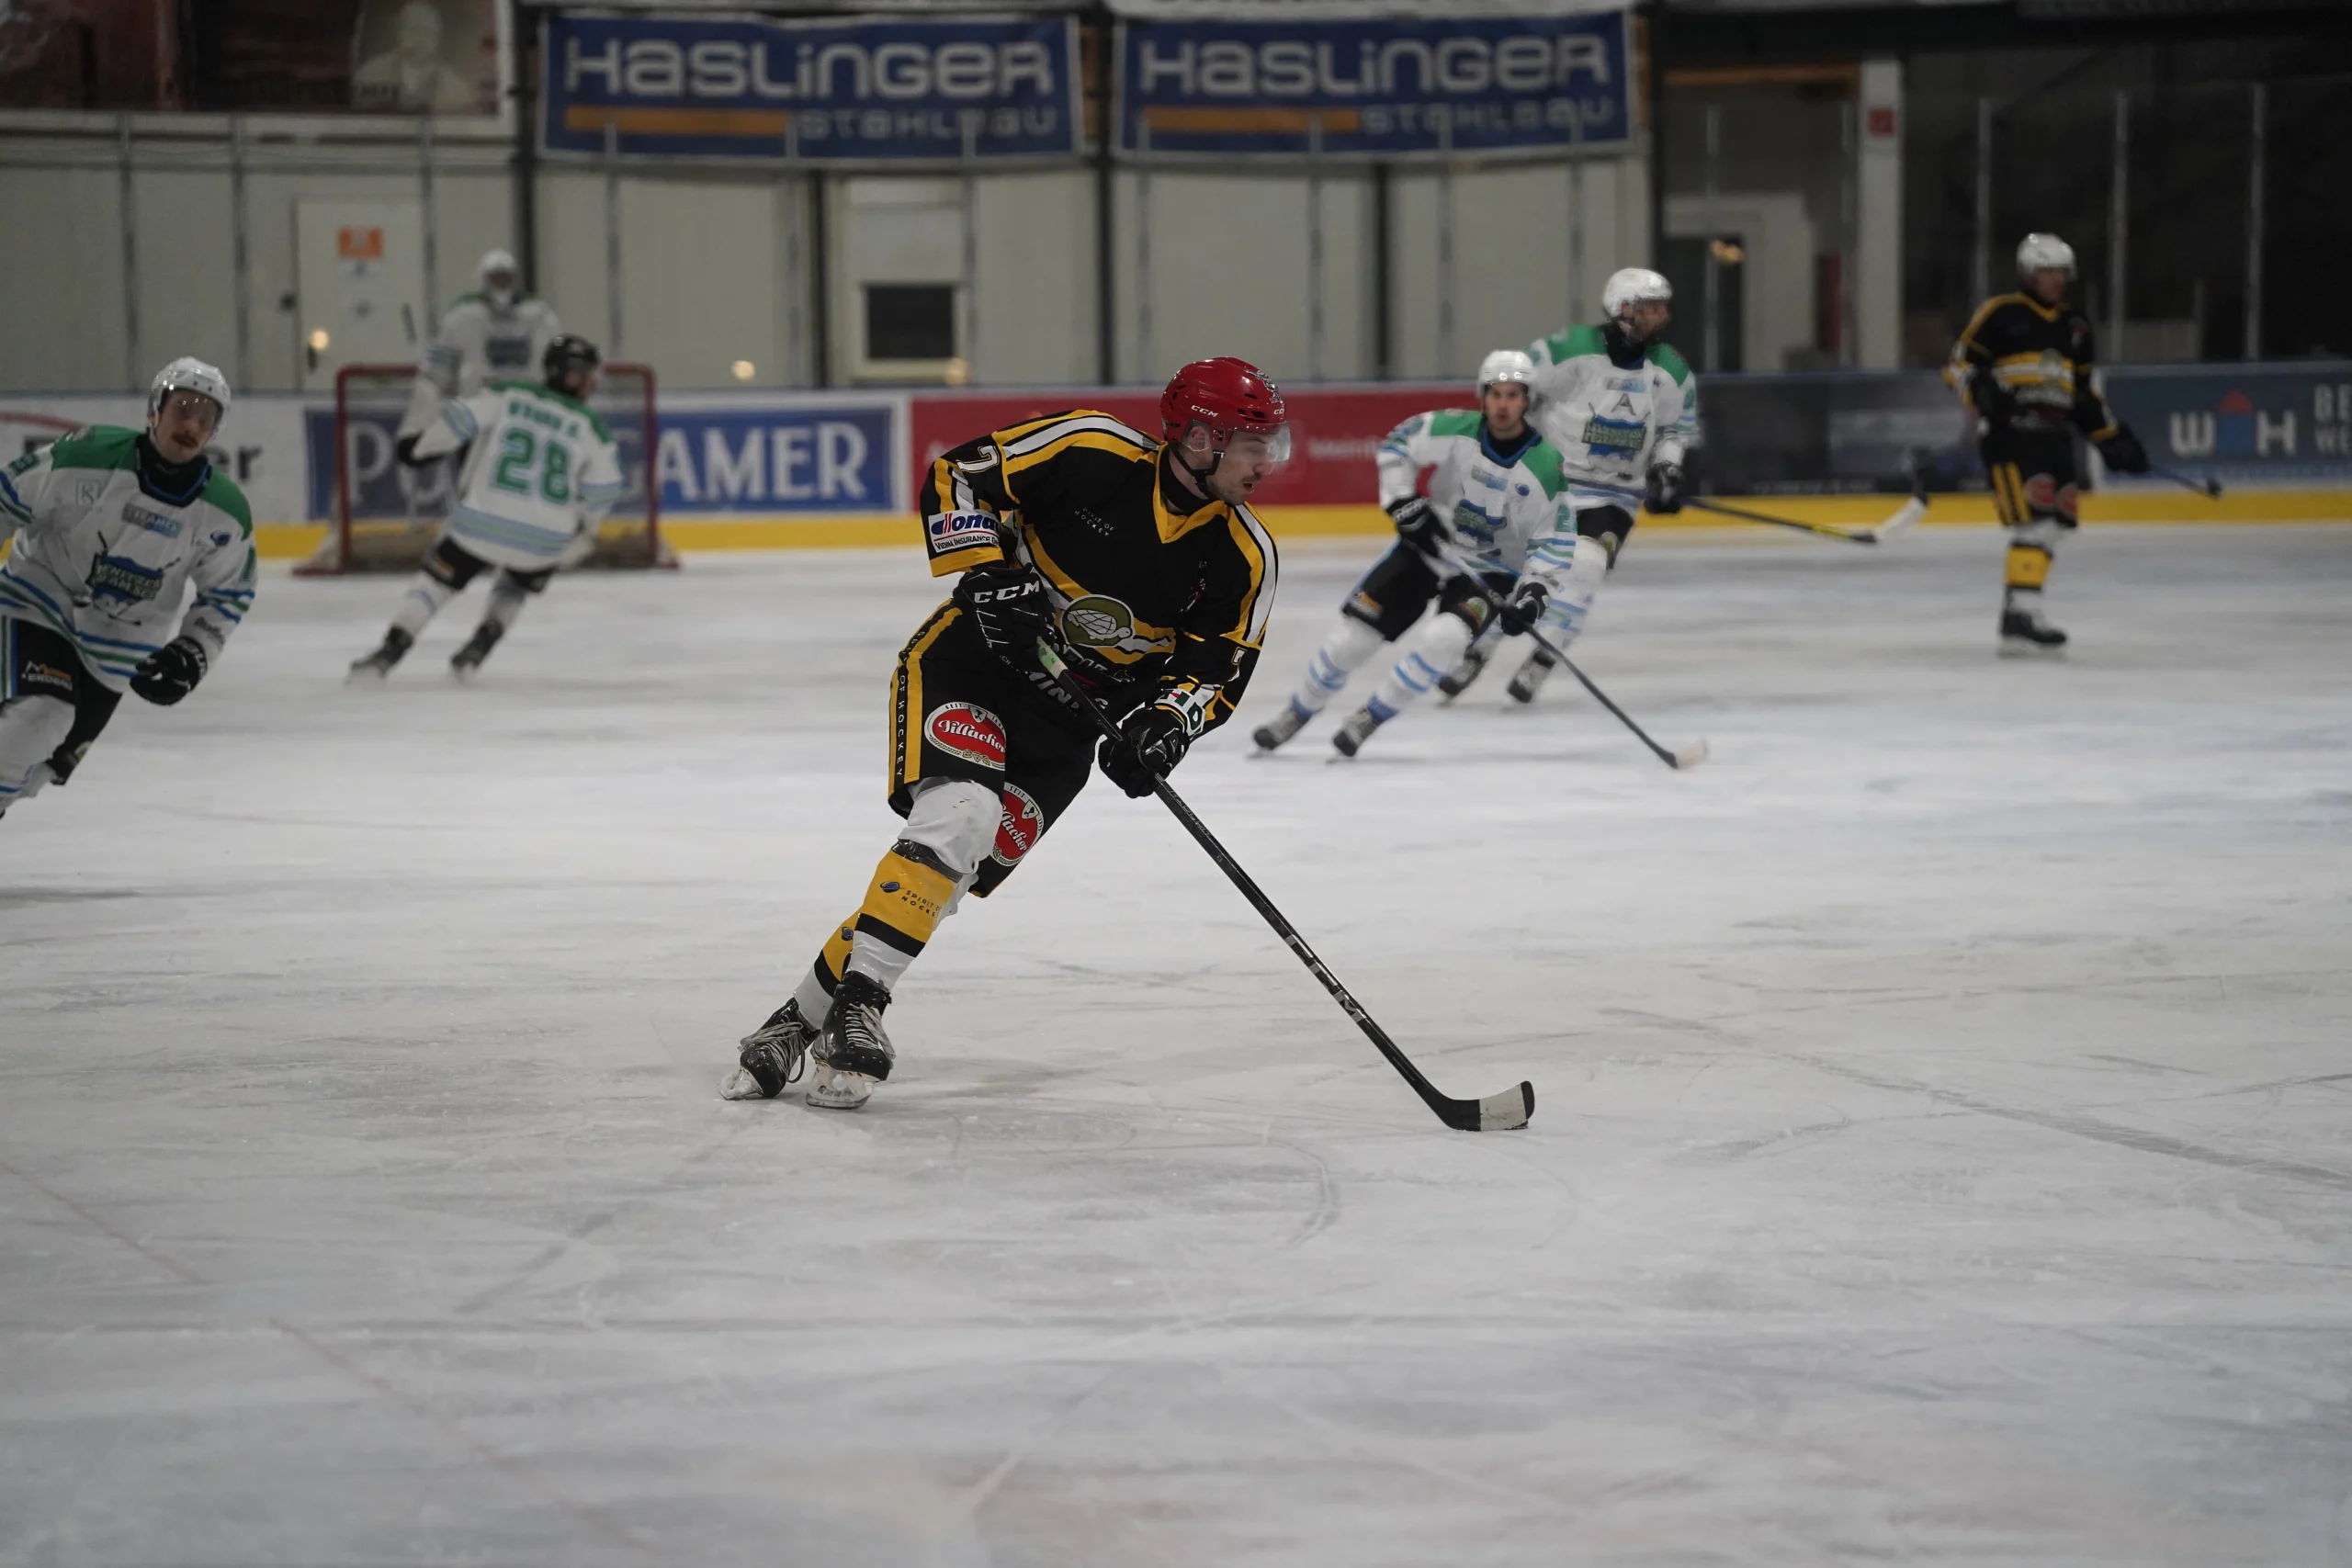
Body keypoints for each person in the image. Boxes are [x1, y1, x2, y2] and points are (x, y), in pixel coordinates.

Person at [722, 358, 1284, 1111]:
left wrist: (1160, 726)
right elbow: (957, 476)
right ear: (1199, 438)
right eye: (1251, 443)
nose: (1265, 462)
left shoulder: (1244, 556)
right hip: (972, 668)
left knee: (940, 878)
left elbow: (1213, 676)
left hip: (1065, 729)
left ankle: (793, 1023)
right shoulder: (1090, 451)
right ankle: (865, 1009)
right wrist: (987, 570)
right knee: (961, 816)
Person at [1250, 350, 1567, 757]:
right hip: (1425, 551)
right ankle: (1298, 710)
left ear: (1529, 400)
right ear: (1482, 396)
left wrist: (1534, 594)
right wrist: (1404, 502)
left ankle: (1371, 716)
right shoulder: (1455, 429)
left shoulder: (1545, 466)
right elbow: (1399, 445)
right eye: (1495, 393)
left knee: (1445, 639)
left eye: (1514, 394)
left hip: (1491, 571)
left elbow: (1554, 538)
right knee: (1351, 641)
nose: (1503, 404)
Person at [0, 358, 255, 818]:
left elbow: (230, 592)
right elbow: (6, 496)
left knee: (39, 771)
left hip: (122, 642)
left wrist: (194, 651)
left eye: (206, 418)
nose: (192, 425)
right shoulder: (87, 455)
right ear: (154, 409)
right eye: (184, 408)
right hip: (38, 594)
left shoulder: (225, 512)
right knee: (42, 716)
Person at [1442, 267, 1698, 705]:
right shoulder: (1570, 349)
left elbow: (1675, 431)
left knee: (1585, 567)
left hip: (1614, 496)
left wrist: (1667, 471)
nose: (1662, 315)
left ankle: (1544, 657)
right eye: (1652, 306)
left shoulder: (1672, 369)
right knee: (1517, 567)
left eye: (1662, 307)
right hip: (1550, 484)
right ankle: (1482, 647)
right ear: (1625, 309)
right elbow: (1514, 390)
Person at [348, 335, 622, 680]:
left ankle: (388, 654)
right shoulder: (593, 428)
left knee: (435, 584)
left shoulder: (509, 394)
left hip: (479, 525)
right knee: (517, 583)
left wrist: (417, 447)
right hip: (545, 542)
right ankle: (477, 650)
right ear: (566, 373)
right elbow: (603, 490)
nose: (591, 382)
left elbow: (455, 423)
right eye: (584, 373)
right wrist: (587, 532)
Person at [1947, 232, 2149, 655]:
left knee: (2055, 526)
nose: (2056, 280)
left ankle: (2022, 612)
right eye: (2047, 271)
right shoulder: (2001, 313)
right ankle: (2021, 615)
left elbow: (2081, 393)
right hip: (2011, 436)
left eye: (2062, 272)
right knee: (2033, 522)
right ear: (2028, 273)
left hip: (2055, 439)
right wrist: (1980, 391)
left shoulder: (2075, 327)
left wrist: (2112, 439)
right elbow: (1958, 365)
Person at [397, 247, 563, 442]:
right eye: (496, 278)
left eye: (506, 278)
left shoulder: (540, 316)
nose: (501, 284)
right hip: (475, 415)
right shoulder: (462, 316)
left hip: (528, 415)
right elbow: (438, 371)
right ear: (483, 279)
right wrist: (431, 404)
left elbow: (556, 364)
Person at [352, 1, 477, 115]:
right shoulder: (370, 74)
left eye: (428, 33)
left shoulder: (458, 91)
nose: (421, 40)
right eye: (414, 30)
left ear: (438, 39)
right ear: (400, 32)